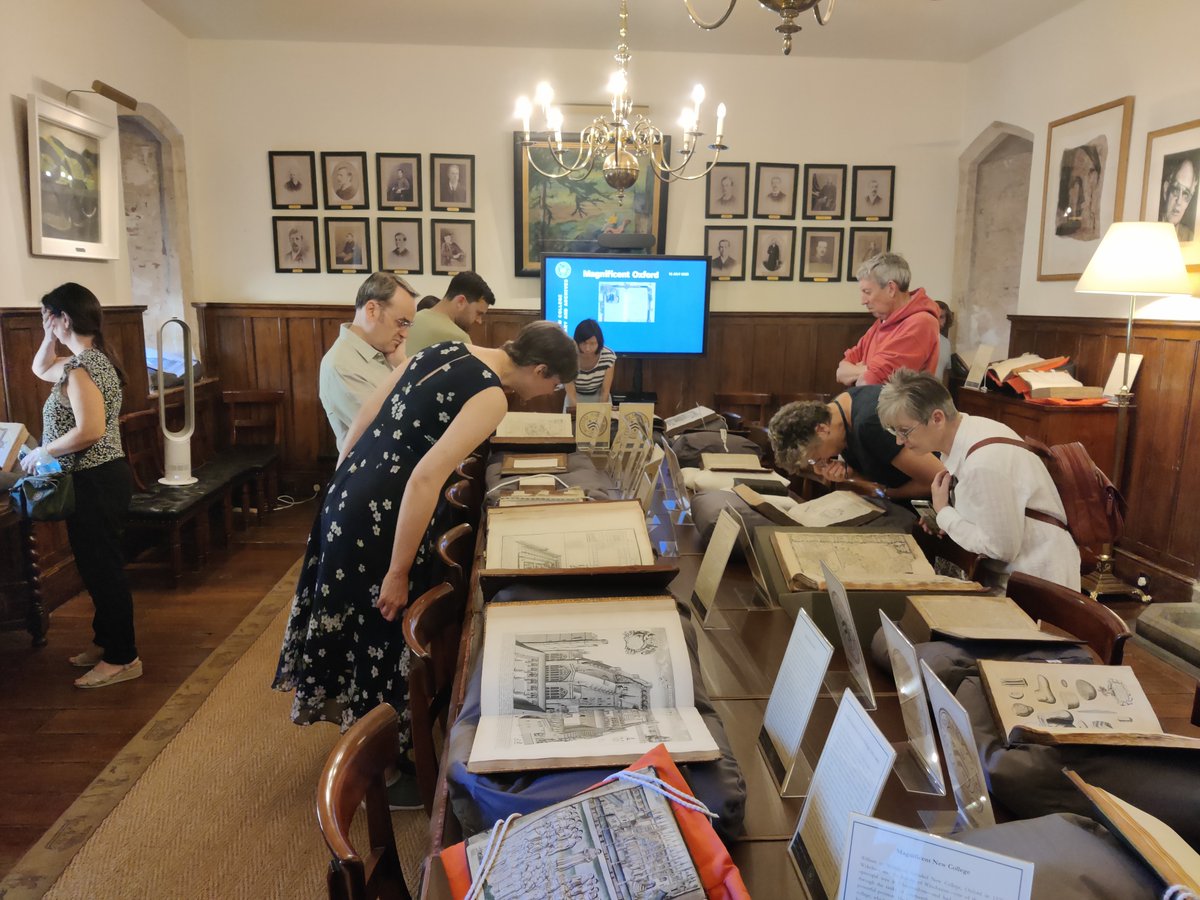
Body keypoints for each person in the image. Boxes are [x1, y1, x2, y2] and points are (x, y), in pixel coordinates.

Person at [273, 321, 578, 805]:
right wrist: (397, 571)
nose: (549, 394)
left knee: (353, 620)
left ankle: (367, 745)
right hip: (389, 514)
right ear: (540, 370)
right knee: (384, 624)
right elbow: (425, 478)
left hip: (350, 492)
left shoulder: (444, 350)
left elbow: (365, 419)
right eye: (554, 384)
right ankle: (382, 770)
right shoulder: (492, 395)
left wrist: (345, 483)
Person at [27, 283, 140, 689]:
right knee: (95, 567)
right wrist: (46, 334)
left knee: (103, 569)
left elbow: (89, 431)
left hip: (97, 479)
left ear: (66, 318)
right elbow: (40, 369)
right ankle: (105, 640)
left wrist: (44, 451)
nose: (46, 323)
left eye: (49, 316)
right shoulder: (88, 359)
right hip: (95, 479)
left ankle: (123, 657)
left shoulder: (83, 368)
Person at [877, 369, 1080, 589]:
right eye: (894, 431)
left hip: (1038, 579)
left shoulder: (983, 462)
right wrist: (945, 519)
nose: (899, 441)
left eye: (905, 431)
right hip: (1019, 572)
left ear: (937, 418)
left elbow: (1001, 547)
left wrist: (946, 514)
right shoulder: (971, 431)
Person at [768, 386, 943, 501]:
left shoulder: (870, 424)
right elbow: (880, 466)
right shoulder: (839, 410)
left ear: (821, 429)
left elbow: (938, 478)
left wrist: (887, 493)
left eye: (815, 458)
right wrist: (852, 474)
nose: (819, 465)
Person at [319, 272, 418, 451]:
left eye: (408, 325)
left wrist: (401, 364)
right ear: (372, 310)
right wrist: (403, 368)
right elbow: (394, 430)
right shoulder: (341, 365)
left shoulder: (384, 352)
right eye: (401, 322)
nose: (405, 334)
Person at [837, 252, 940, 386]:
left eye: (867, 292)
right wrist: (864, 370)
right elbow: (841, 371)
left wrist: (862, 371)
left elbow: (869, 382)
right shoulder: (882, 321)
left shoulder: (921, 323)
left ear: (891, 288)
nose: (863, 301)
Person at [404, 270, 495, 353]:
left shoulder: (413, 319)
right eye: (478, 313)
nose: (479, 321)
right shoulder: (458, 338)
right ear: (460, 302)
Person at [563, 319, 617, 410]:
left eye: (592, 344)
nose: (588, 348)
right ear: (577, 341)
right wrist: (578, 412)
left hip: (599, 395)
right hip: (575, 396)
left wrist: (600, 412)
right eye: (584, 343)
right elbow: (570, 389)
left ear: (599, 342)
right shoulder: (568, 355)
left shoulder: (608, 356)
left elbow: (605, 391)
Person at [1158, 155, 1198, 242]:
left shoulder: (1190, 238)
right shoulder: (1147, 231)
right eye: (1175, 190)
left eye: (1185, 194)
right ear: (1166, 189)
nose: (1179, 201)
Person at [934, 300, 954, 383]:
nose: (937, 320)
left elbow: (946, 372)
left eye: (941, 317)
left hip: (937, 392)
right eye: (935, 315)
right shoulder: (917, 338)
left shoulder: (946, 343)